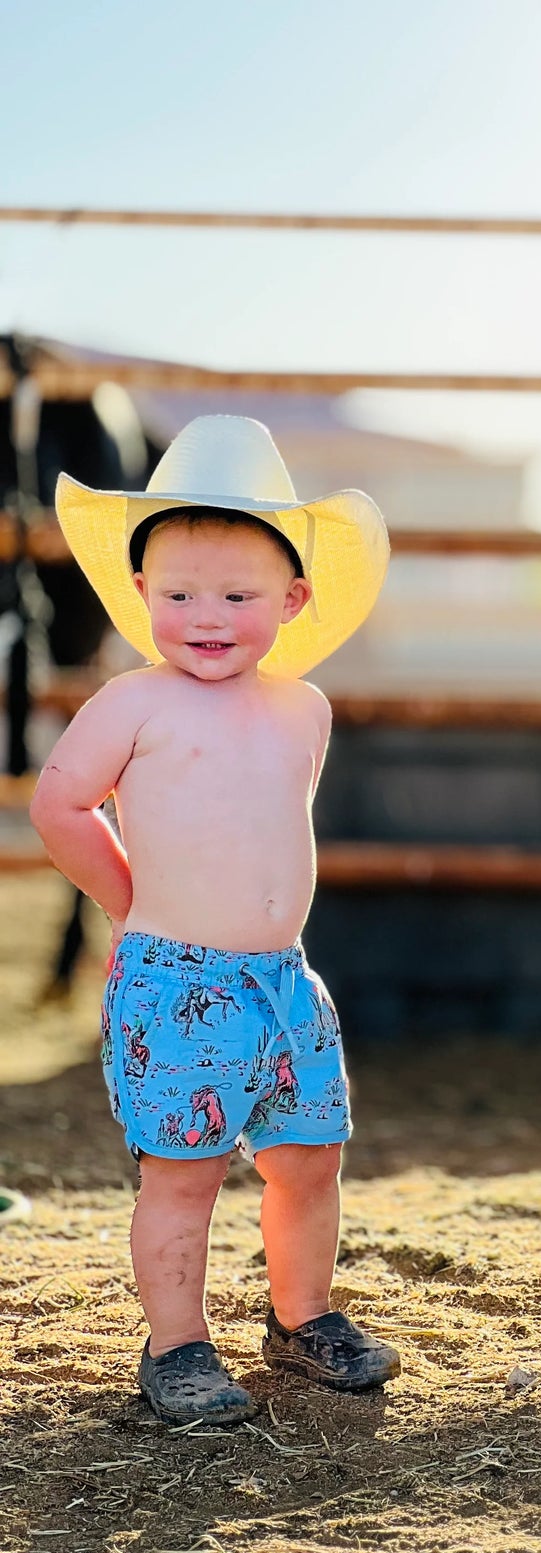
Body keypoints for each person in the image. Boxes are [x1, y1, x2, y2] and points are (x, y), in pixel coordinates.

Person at [30, 414, 400, 1422]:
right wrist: (130, 900)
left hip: (284, 978)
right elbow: (61, 805)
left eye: (238, 596)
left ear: (292, 599)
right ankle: (177, 1345)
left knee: (309, 1156)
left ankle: (302, 1314)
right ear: (141, 591)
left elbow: (267, 825)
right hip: (177, 978)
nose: (208, 616)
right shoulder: (133, 701)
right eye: (180, 593)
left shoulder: (303, 707)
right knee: (183, 1173)